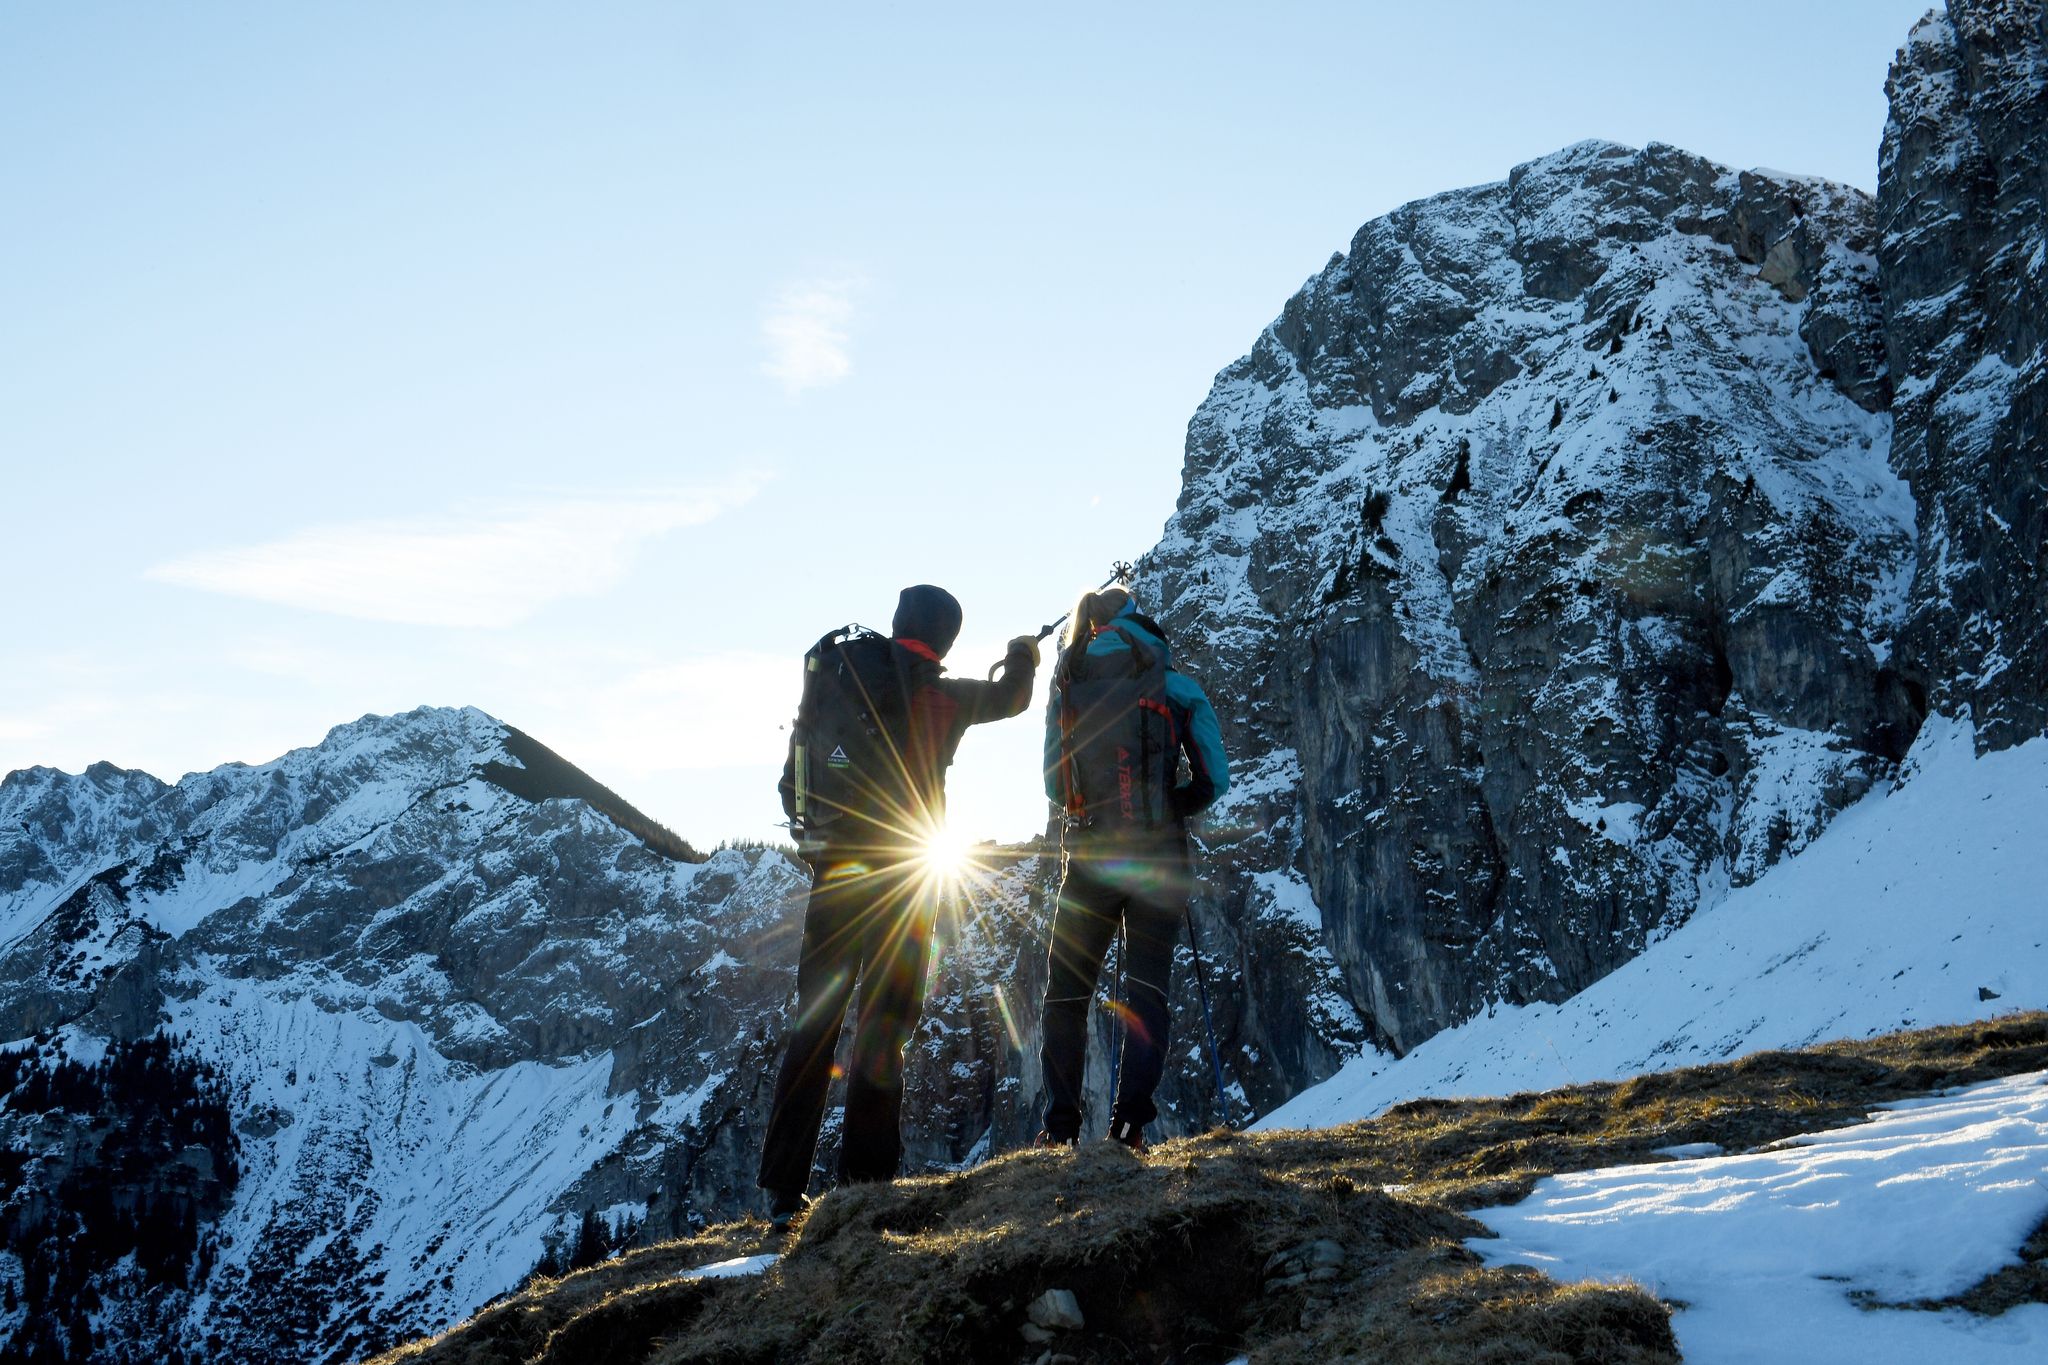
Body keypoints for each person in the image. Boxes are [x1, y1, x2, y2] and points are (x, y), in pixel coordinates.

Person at [759, 584, 1039, 1226]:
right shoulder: (944, 695)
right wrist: (1023, 652)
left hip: (837, 875)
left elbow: (791, 777)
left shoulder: (840, 677)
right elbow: (1013, 698)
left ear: (896, 623)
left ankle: (782, 1191)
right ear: (946, 639)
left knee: (815, 1024)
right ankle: (862, 1186)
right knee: (884, 1027)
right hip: (908, 879)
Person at [1036, 586, 1228, 1152]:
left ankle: (1060, 1129)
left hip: (1091, 858)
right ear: (1136, 618)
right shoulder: (1172, 683)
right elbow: (1214, 778)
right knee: (1146, 994)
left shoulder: (1069, 683)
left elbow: (1054, 785)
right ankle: (1127, 1130)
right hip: (1157, 859)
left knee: (1066, 995)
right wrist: (1170, 806)